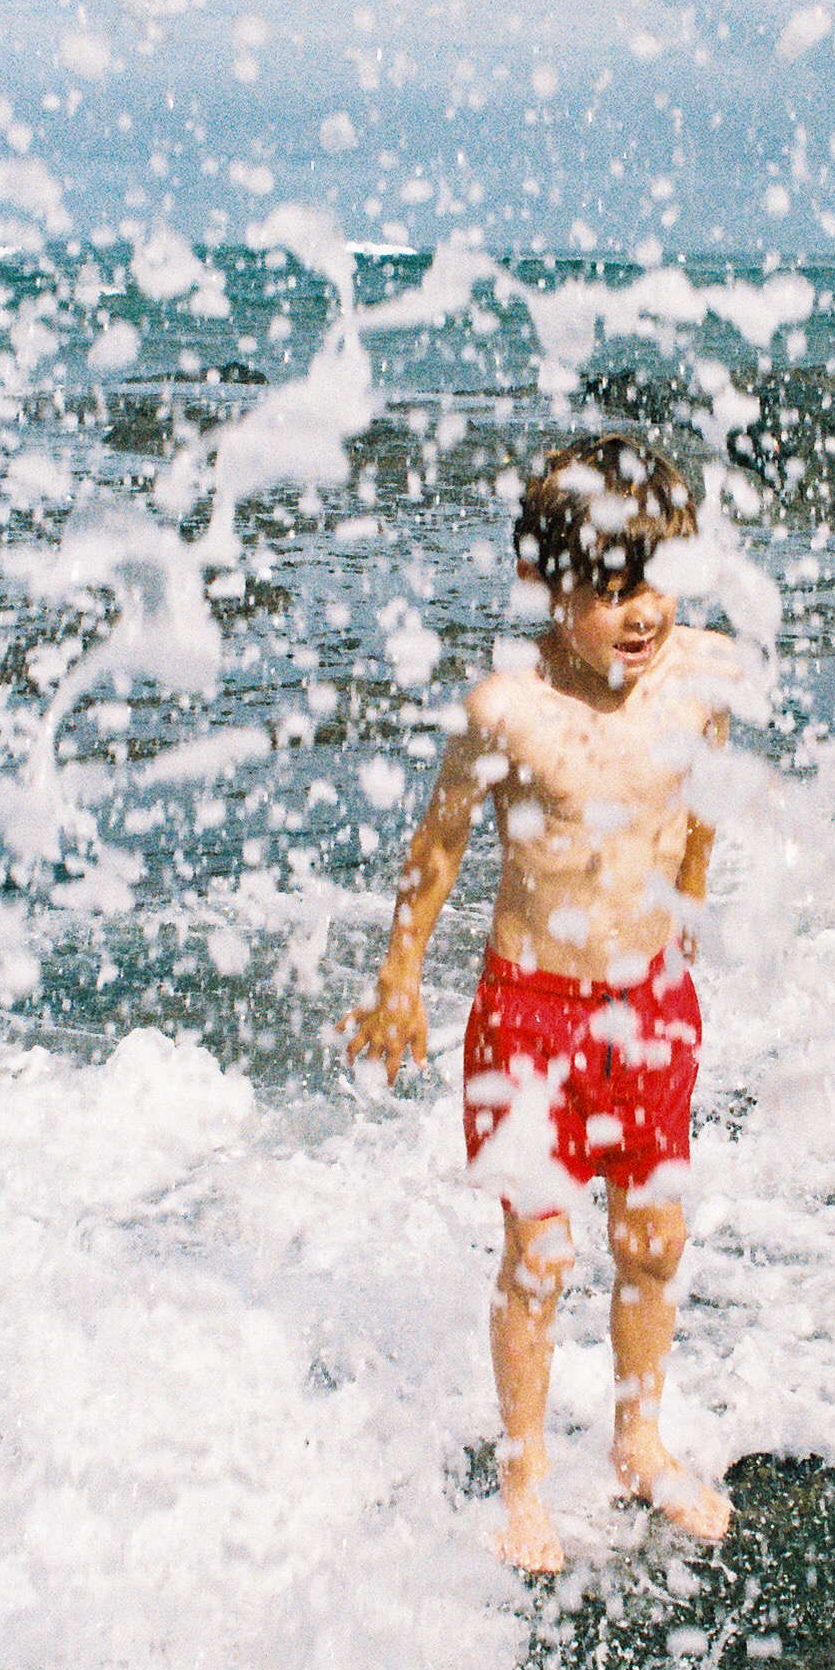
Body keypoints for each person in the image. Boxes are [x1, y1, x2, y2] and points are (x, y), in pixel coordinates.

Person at [345, 434, 738, 1575]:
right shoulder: (509, 710)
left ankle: (638, 1437)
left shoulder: (702, 676)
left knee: (653, 1242)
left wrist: (693, 908)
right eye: (607, 590)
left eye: (652, 578)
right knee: (541, 1254)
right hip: (533, 1015)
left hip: (651, 1005)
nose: (638, 611)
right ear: (550, 589)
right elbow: (441, 842)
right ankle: (524, 1477)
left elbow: (699, 802)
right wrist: (398, 980)